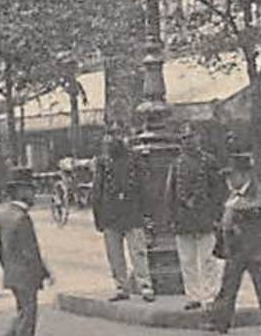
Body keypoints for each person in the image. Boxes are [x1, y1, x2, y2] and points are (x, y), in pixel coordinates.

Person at [205, 153, 261, 334]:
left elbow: (256, 206)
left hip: (255, 248)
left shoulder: (255, 190)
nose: (229, 180)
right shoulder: (234, 193)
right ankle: (220, 322)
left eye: (233, 175)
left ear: (244, 175)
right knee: (228, 284)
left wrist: (233, 208)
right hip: (237, 247)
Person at [0, 168, 52, 336]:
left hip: (11, 272)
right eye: (30, 190)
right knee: (28, 316)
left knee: (22, 314)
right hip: (26, 274)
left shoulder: (4, 216)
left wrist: (8, 268)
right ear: (20, 191)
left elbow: (0, 251)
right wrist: (43, 273)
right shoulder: (22, 218)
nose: (33, 195)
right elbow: (31, 252)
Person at [165, 129, 227, 311]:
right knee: (187, 260)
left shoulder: (209, 162)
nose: (189, 142)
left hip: (205, 217)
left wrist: (217, 215)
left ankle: (209, 295)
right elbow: (170, 193)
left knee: (208, 258)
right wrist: (171, 217)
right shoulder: (175, 165)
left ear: (199, 139)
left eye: (192, 138)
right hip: (183, 218)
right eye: (185, 139)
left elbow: (218, 191)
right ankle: (192, 295)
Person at [92, 134, 153, 302]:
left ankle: (145, 286)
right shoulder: (103, 163)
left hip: (131, 211)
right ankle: (122, 287)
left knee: (138, 251)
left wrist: (146, 211)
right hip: (111, 213)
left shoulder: (134, 160)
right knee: (115, 254)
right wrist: (98, 215)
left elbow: (143, 186)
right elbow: (97, 189)